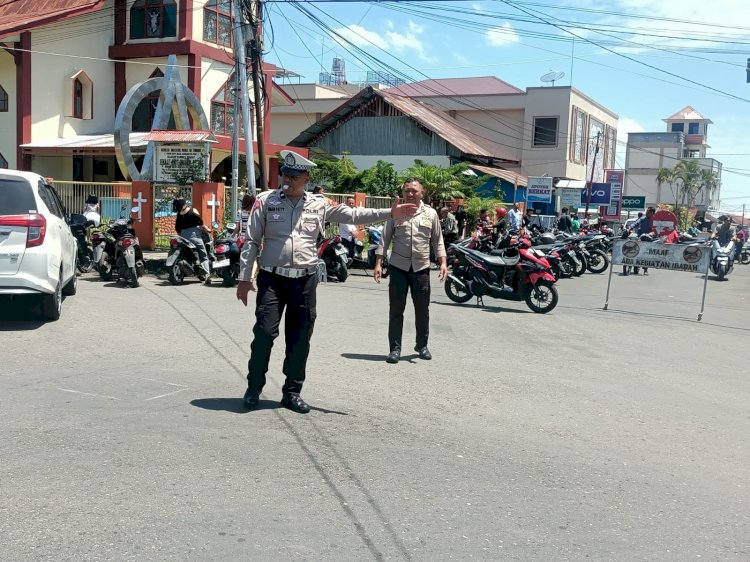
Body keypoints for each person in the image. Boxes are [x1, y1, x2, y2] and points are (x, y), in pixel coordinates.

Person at [236, 150, 418, 413]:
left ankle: (292, 392)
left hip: (305, 281)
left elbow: (354, 215)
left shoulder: (319, 204)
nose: (287, 180)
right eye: (285, 175)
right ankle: (254, 388)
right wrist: (244, 278)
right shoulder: (265, 202)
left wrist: (390, 212)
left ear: (306, 178)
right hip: (272, 279)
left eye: (294, 176)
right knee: (264, 334)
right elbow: (252, 241)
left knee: (300, 339)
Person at [374, 179, 447, 364]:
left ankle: (422, 345)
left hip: (421, 268)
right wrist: (378, 263)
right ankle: (395, 349)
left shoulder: (431, 214)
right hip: (398, 267)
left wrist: (443, 262)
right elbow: (385, 237)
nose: (410, 194)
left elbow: (438, 240)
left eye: (414, 191)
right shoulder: (396, 212)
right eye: (407, 190)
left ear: (422, 193)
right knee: (396, 310)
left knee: (422, 310)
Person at [174, 198, 211, 284]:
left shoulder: (179, 215)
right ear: (184, 204)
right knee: (204, 256)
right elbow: (201, 223)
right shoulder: (193, 210)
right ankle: (207, 275)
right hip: (195, 237)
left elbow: (178, 229)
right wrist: (207, 229)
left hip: (183, 238)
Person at [633, 207, 656, 275]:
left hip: (649, 240)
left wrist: (652, 233)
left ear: (652, 213)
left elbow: (657, 230)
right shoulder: (643, 219)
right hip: (640, 238)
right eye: (646, 211)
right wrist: (630, 227)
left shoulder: (655, 220)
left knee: (647, 255)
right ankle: (636, 267)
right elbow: (636, 223)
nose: (646, 213)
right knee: (637, 252)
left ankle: (645, 269)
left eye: (648, 212)